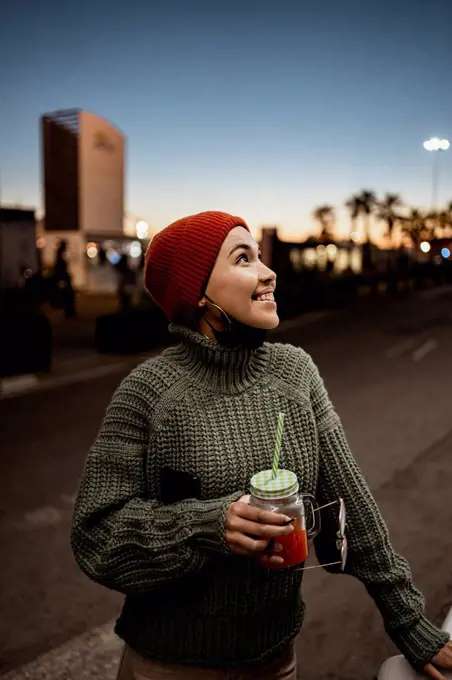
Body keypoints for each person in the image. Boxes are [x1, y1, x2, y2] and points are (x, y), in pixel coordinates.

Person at [71, 211, 452, 680]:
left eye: (260, 256)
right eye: (243, 258)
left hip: (275, 663)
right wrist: (209, 525)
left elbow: (352, 507)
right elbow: (96, 536)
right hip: (167, 666)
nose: (268, 272)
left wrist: (410, 623)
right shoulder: (146, 393)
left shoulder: (296, 373)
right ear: (198, 294)